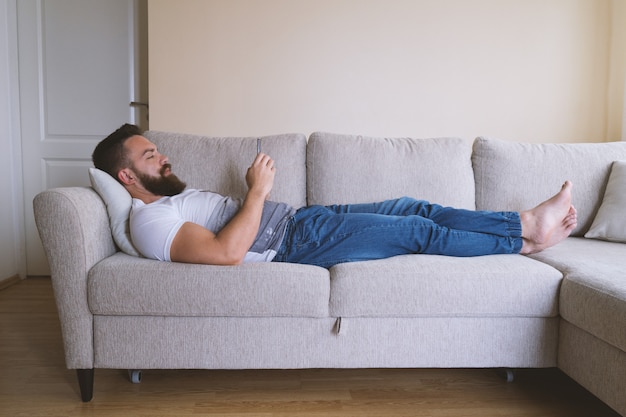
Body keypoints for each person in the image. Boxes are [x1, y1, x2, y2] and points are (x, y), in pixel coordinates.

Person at [92, 124, 578, 268]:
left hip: (302, 219)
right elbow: (226, 252)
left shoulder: (169, 202)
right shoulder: (148, 223)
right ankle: (522, 236)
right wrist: (257, 191)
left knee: (414, 206)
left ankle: (524, 226)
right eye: (150, 156)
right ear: (126, 176)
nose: (163, 158)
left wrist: (261, 199)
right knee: (417, 231)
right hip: (291, 244)